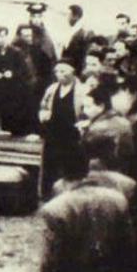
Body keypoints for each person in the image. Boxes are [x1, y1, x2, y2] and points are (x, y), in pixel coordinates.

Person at [39, 60, 86, 197]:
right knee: (50, 164)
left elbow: (86, 111)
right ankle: (47, 194)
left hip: (72, 133)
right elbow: (44, 105)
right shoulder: (52, 89)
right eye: (57, 72)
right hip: (53, 132)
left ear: (72, 71)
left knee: (69, 164)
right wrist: (43, 114)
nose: (60, 75)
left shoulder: (82, 90)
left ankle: (67, 195)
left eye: (63, 71)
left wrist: (82, 124)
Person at [0, 26, 36, 136]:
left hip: (11, 88)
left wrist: (12, 73)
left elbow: (23, 70)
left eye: (4, 36)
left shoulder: (16, 52)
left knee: (11, 109)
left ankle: (11, 130)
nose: (1, 39)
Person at [61, 5, 94, 73]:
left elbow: (84, 56)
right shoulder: (74, 31)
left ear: (76, 16)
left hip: (76, 71)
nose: (67, 18)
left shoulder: (84, 33)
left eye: (68, 15)